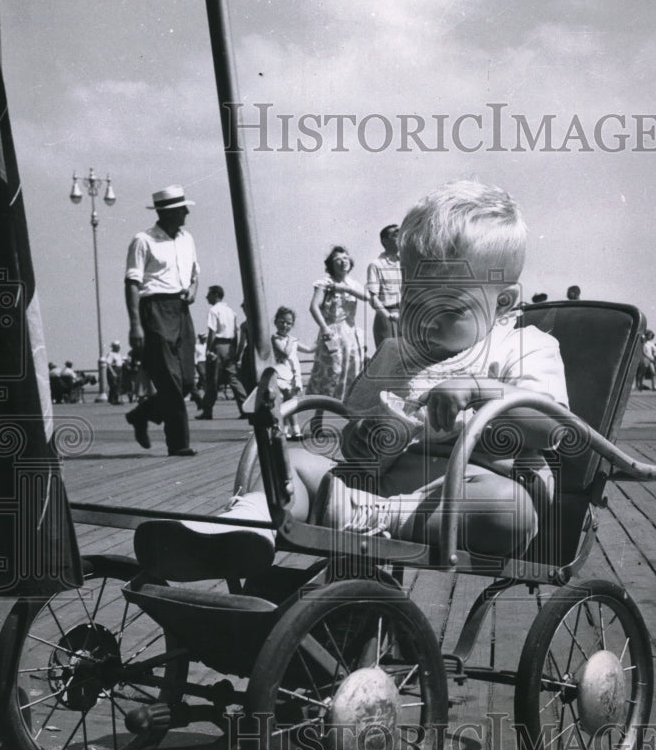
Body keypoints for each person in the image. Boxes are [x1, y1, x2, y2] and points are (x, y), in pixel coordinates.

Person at [199, 178, 568, 563]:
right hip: (381, 487)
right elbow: (354, 435)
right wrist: (360, 438)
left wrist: (481, 388)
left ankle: (357, 518)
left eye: (448, 309)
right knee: (289, 464)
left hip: (465, 494)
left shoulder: (523, 346)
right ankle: (240, 527)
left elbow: (551, 427)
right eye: (413, 302)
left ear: (503, 302)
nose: (425, 322)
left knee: (508, 508)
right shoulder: (396, 353)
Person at [124, 184, 199, 456]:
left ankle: (142, 414)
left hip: (180, 308)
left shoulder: (187, 239)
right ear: (166, 213)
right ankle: (179, 444)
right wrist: (135, 325)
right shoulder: (143, 240)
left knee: (188, 380)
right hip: (154, 308)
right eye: (182, 210)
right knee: (169, 380)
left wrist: (192, 289)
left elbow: (194, 272)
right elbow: (132, 283)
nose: (186, 214)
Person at [306, 245, 372, 402]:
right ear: (331, 264)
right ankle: (319, 415)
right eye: (338, 259)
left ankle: (350, 414)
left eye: (345, 258)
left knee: (353, 373)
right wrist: (324, 328)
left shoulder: (352, 284)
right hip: (332, 332)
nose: (343, 262)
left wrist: (345, 289)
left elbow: (367, 297)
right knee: (331, 373)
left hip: (350, 333)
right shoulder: (325, 282)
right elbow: (314, 307)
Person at [197, 285, 248, 420]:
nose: (207, 297)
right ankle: (246, 408)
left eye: (209, 295)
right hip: (230, 346)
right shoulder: (231, 312)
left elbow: (212, 332)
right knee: (234, 378)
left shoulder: (214, 310)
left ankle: (207, 411)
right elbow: (235, 333)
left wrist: (208, 349)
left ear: (215, 295)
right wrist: (236, 351)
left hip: (218, 346)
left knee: (212, 379)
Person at [271, 306, 315, 440]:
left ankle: (285, 430)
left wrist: (321, 341)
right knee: (290, 403)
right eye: (282, 322)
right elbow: (286, 352)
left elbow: (308, 349)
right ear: (276, 322)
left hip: (293, 375)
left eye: (289, 323)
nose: (285, 325)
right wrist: (290, 340)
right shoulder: (276, 338)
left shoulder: (293, 340)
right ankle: (295, 430)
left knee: (290, 403)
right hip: (283, 375)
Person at [365, 223, 402, 349]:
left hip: (406, 316)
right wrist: (388, 316)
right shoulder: (376, 265)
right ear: (385, 241)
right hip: (387, 316)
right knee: (389, 359)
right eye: (395, 235)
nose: (401, 237)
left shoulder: (405, 262)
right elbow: (373, 298)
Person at [104, 339, 125, 404]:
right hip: (114, 369)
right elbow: (108, 364)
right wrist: (113, 372)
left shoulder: (118, 354)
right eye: (117, 346)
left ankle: (113, 399)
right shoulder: (111, 354)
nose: (119, 348)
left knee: (118, 385)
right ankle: (114, 399)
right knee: (114, 385)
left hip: (119, 370)